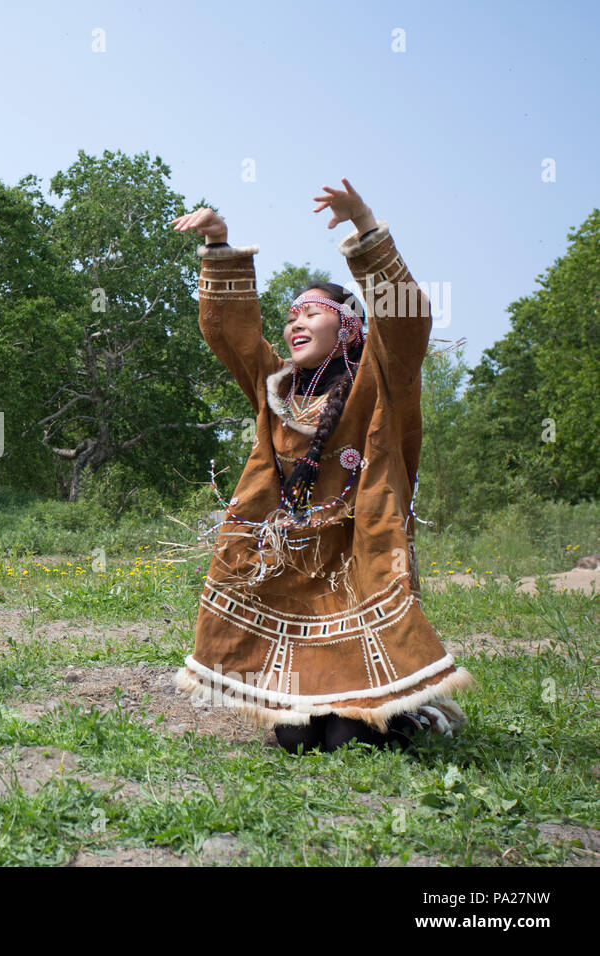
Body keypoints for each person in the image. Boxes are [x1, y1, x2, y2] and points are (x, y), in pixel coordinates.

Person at [170, 179, 470, 753]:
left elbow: (406, 325)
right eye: (290, 316)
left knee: (350, 741)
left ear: (350, 326)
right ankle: (344, 703)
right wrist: (219, 244)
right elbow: (233, 336)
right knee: (296, 741)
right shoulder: (276, 391)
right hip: (293, 584)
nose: (294, 322)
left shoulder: (379, 386)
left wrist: (364, 226)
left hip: (358, 575)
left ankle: (417, 710)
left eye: (311, 312)